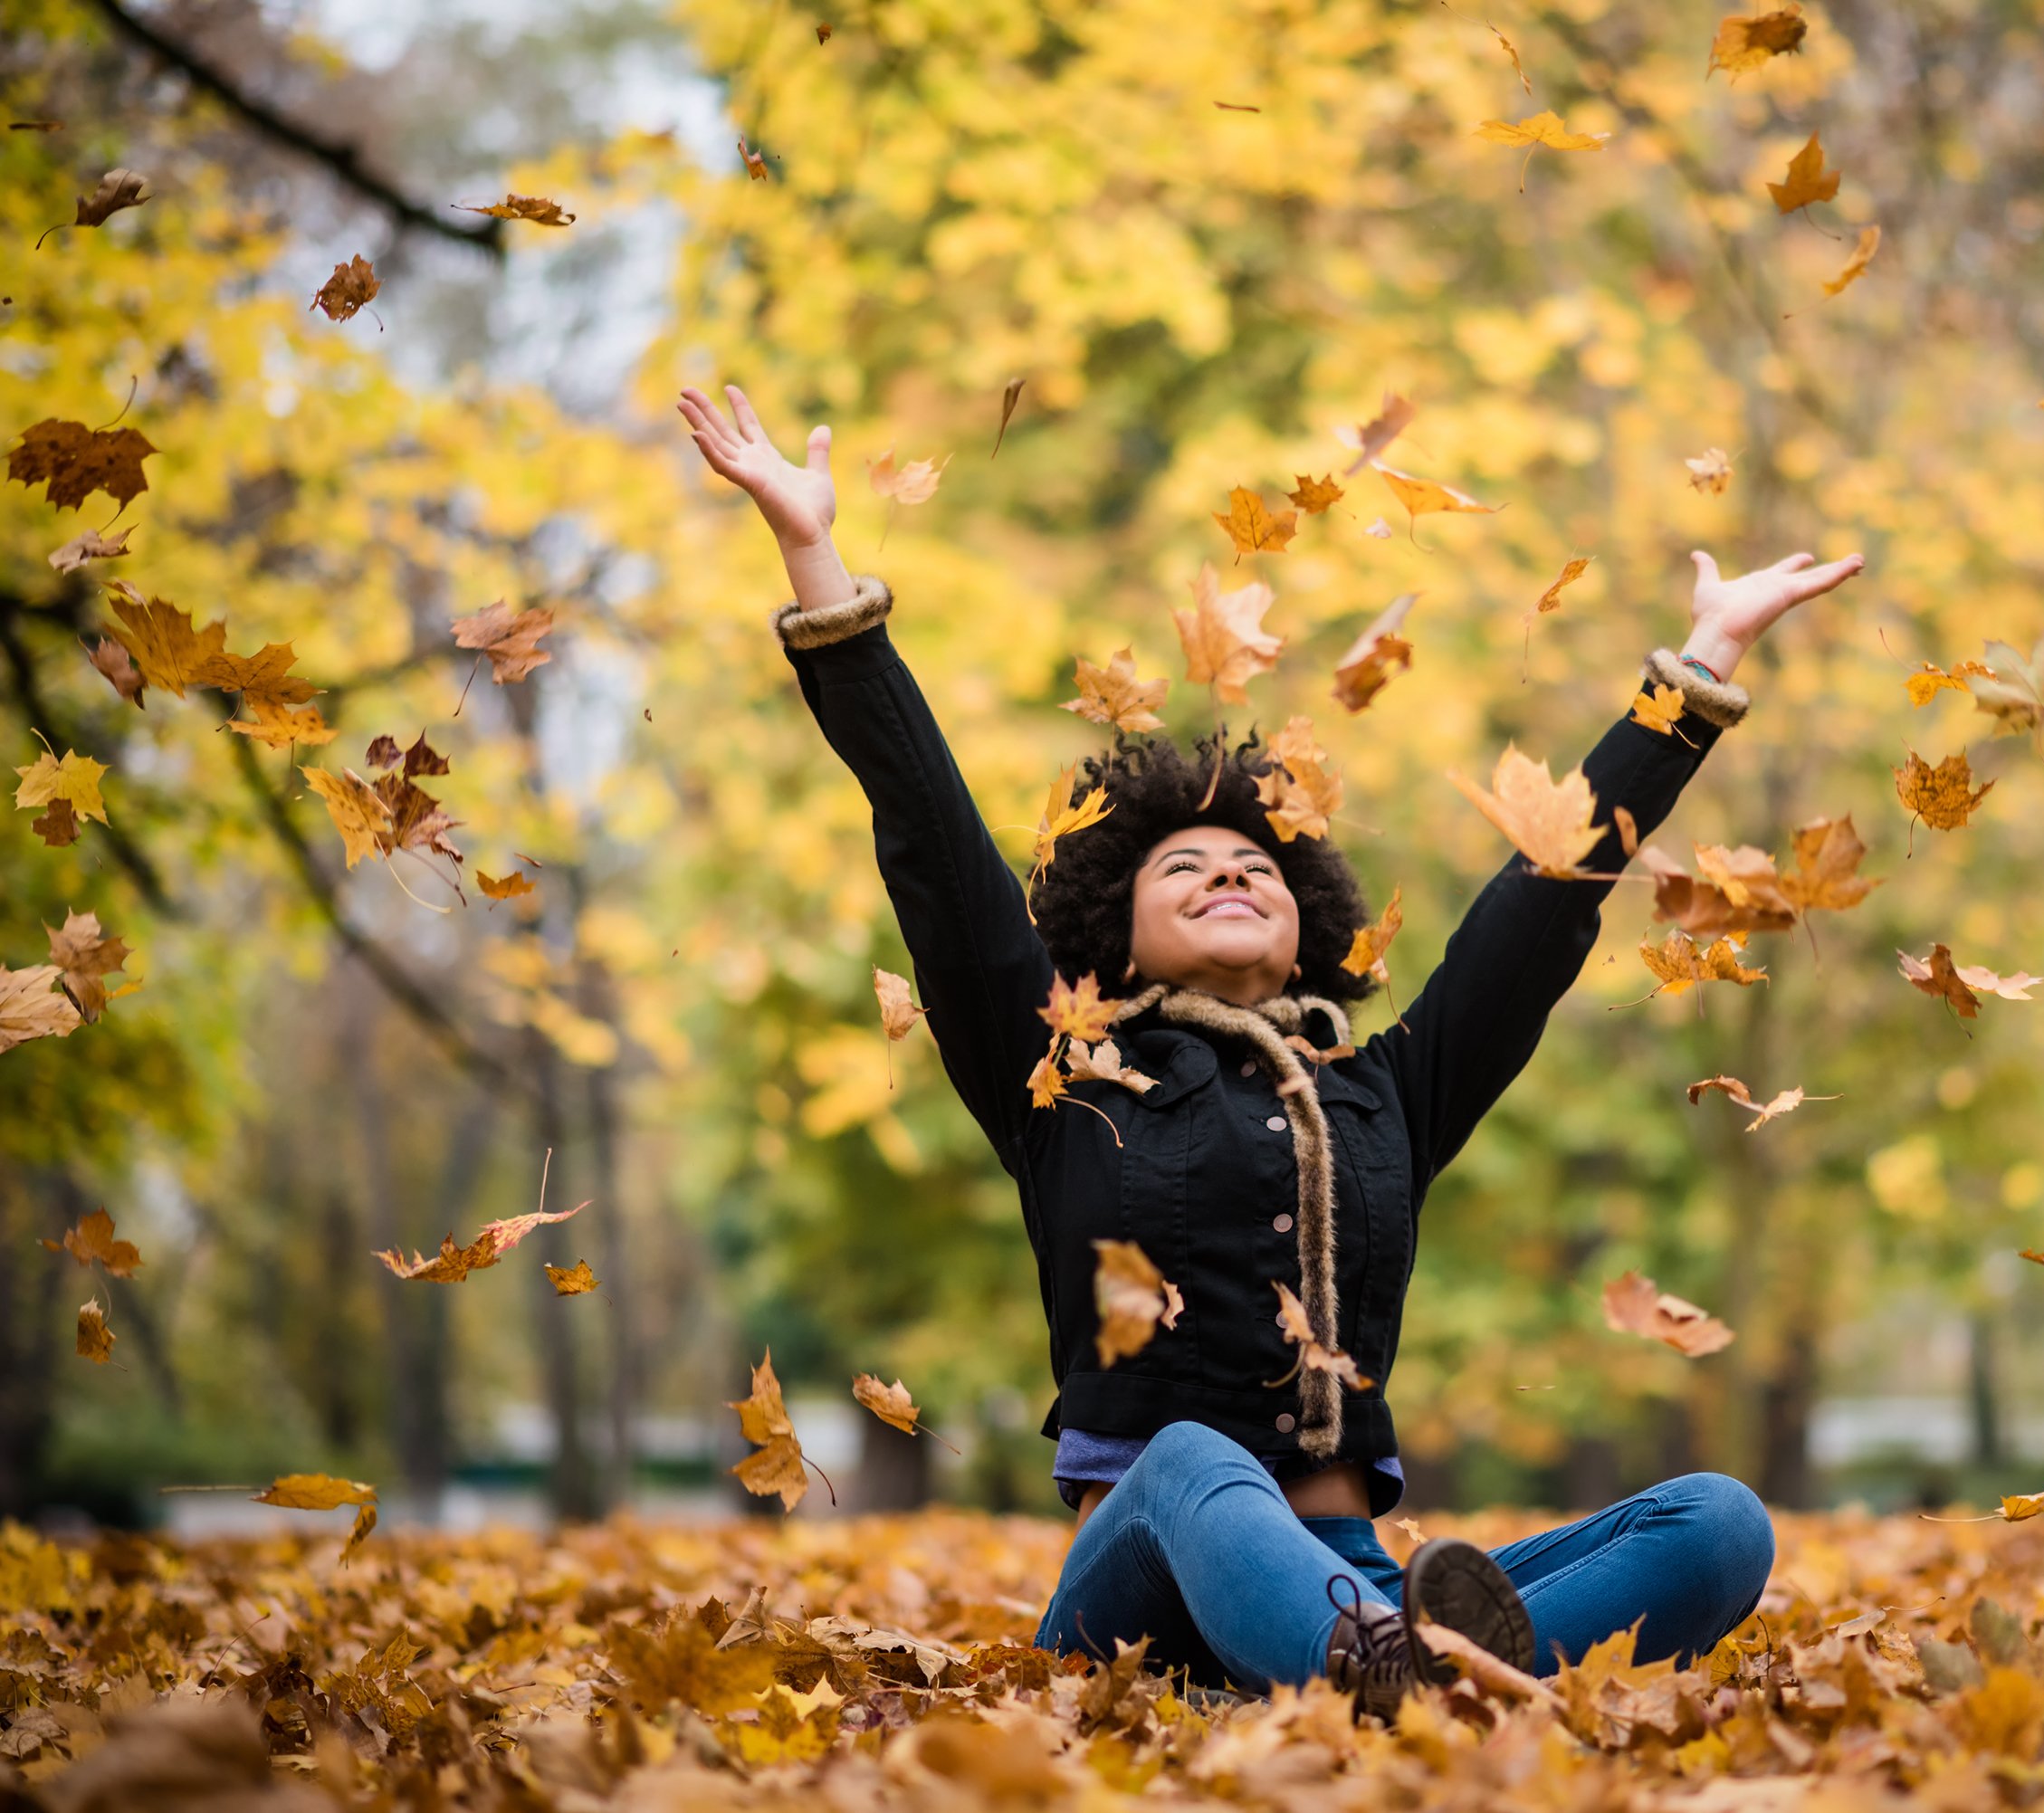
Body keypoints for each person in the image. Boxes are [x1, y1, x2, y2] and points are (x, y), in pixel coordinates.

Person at [679, 382, 1864, 1716]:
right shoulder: (1064, 1077)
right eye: (1185, 865)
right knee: (1187, 1456)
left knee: (1717, 1522)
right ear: (1110, 936)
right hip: (1146, 1597)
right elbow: (934, 844)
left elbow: (1542, 906)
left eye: (1255, 864)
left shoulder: (1387, 1096)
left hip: (1361, 1577)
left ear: (1307, 921)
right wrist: (813, 562)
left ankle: (1408, 1674)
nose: (1229, 873)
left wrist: (1691, 683)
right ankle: (1413, 1674)